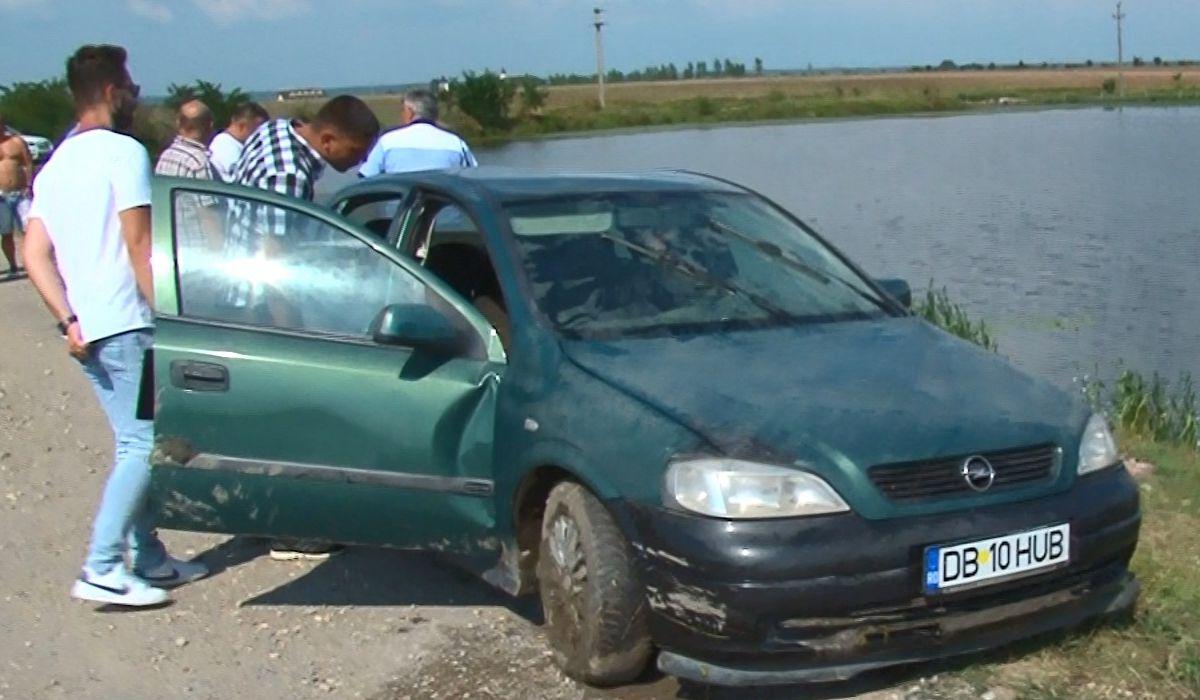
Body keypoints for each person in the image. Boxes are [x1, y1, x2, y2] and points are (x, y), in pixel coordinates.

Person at [23, 44, 208, 607]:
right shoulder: (123, 152)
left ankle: (148, 556)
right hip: (129, 319)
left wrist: (68, 319)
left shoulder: (56, 164)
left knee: (135, 441)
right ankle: (102, 564)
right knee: (144, 443)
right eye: (128, 84)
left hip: (92, 328)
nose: (133, 92)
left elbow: (34, 254)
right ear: (110, 92)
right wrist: (176, 317)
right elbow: (140, 244)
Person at [226, 95, 379, 561]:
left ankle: (254, 512)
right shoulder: (289, 173)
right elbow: (277, 262)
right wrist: (296, 337)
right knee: (293, 414)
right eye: (353, 152)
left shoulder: (274, 132)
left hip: (234, 292)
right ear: (328, 138)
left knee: (257, 419)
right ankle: (292, 529)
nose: (358, 163)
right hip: (259, 304)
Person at [358, 88, 476, 176]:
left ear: (409, 112)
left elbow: (365, 177)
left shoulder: (387, 142)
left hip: (399, 207)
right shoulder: (456, 143)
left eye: (403, 111)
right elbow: (474, 176)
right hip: (445, 207)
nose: (401, 115)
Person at [0, 113, 34, 276]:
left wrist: (29, 184)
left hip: (21, 193)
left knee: (29, 230)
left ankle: (32, 262)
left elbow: (28, 163)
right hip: (1, 196)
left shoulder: (16, 142)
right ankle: (13, 266)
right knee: (6, 233)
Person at [154, 99, 217, 179]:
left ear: (179, 123)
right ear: (209, 125)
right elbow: (206, 191)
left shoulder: (166, 154)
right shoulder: (198, 162)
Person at [209, 101, 268, 182]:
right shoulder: (226, 147)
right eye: (257, 129)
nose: (261, 134)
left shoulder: (235, 144)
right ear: (242, 126)